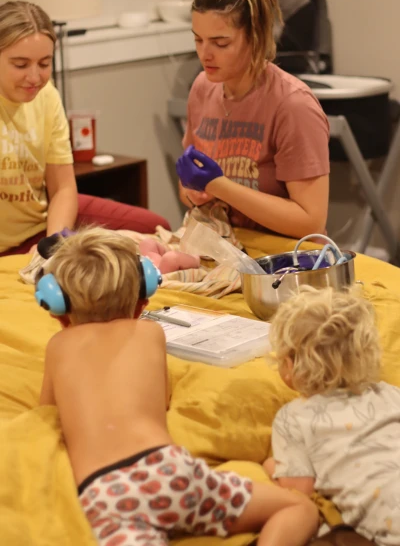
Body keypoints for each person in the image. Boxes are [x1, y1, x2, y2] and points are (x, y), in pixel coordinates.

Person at [37, 226, 318, 546]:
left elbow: (45, 416)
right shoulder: (150, 334)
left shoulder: (58, 347)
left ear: (56, 307)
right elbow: (162, 400)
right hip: (171, 471)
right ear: (143, 298)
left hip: (106, 493)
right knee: (298, 509)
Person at [176, 0, 330, 239]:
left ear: (256, 35)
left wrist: (219, 186)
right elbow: (188, 187)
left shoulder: (292, 105)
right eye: (198, 40)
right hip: (224, 247)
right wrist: (193, 191)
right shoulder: (201, 89)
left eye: (221, 43)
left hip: (285, 260)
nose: (205, 54)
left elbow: (310, 222)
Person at [0, 0, 169, 257]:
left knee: (155, 230)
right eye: (21, 65)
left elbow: (63, 188)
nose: (35, 77)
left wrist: (54, 244)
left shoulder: (47, 96)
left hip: (43, 225)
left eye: (44, 64)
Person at [263, 286, 400, 546]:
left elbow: (298, 489)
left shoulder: (293, 418)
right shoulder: (389, 393)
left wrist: (271, 467)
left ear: (289, 365)